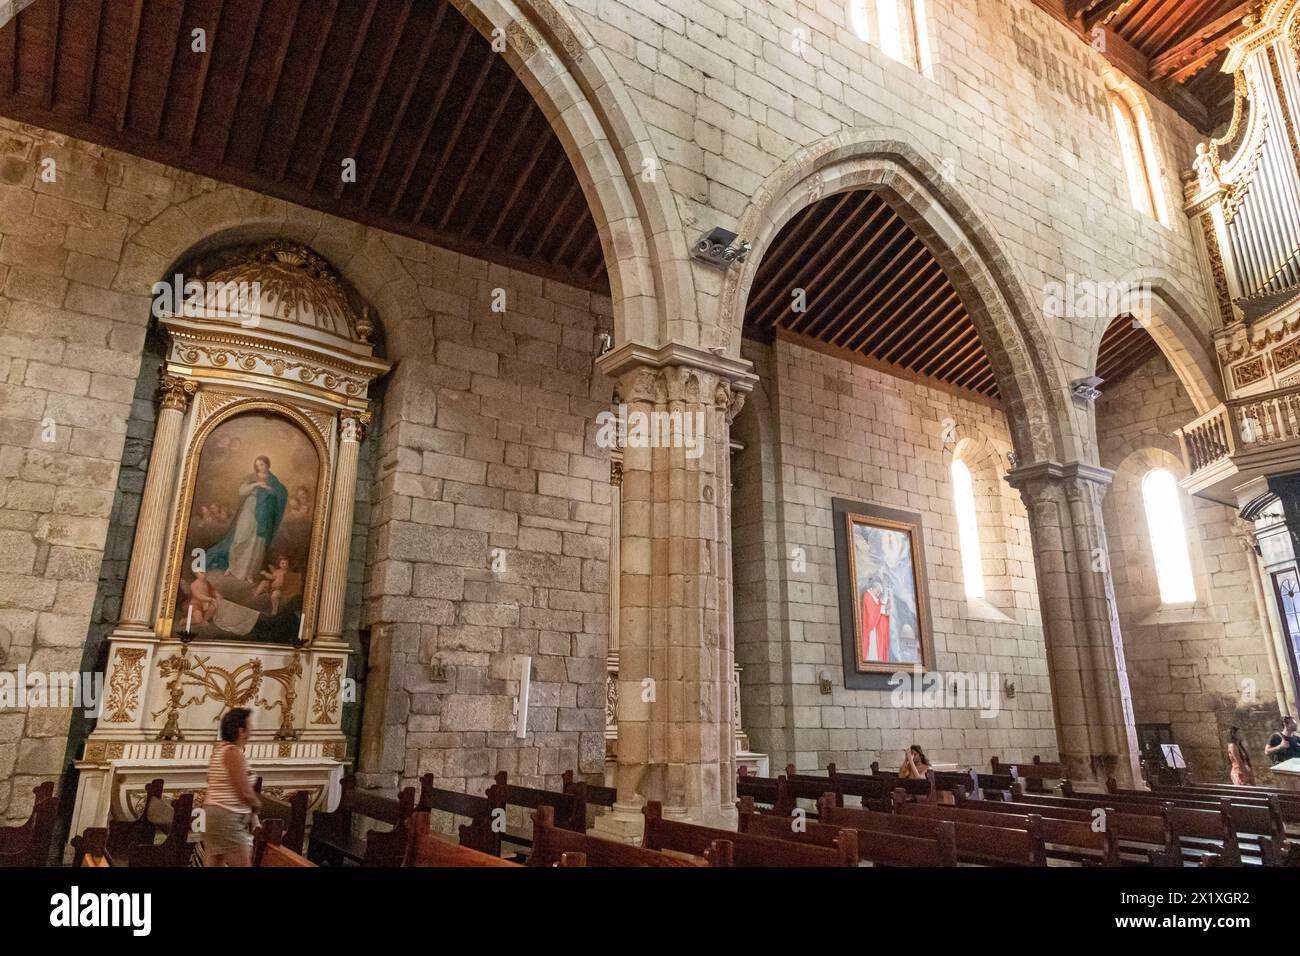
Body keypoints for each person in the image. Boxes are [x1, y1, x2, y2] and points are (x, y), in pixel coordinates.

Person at [206, 455, 288, 581]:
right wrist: (256, 485)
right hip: (249, 509)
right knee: (240, 538)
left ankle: (249, 573)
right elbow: (242, 492)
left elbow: (280, 493)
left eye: (263, 464)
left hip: (264, 513)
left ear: (268, 464)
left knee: (257, 543)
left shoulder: (273, 480)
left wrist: (270, 490)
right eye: (258, 465)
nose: (261, 467)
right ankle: (233, 567)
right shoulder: (251, 477)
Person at [204, 707, 261, 867]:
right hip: (227, 817)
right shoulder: (233, 752)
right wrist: (256, 807)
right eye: (249, 726)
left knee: (215, 863)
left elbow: (210, 779)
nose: (252, 731)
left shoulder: (220, 750)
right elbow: (243, 791)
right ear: (240, 730)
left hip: (214, 814)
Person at [861, 579, 892, 662]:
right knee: (871, 645)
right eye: (877, 591)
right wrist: (882, 608)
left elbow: (879, 607)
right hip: (870, 627)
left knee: (876, 645)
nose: (878, 594)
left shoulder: (876, 598)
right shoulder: (867, 595)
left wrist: (886, 607)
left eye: (879, 593)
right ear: (873, 588)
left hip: (876, 627)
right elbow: (872, 611)